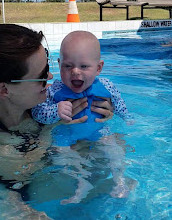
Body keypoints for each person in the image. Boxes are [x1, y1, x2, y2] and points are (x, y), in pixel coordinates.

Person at [0, 24, 113, 216]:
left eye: (49, 67)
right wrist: (53, 130)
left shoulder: (42, 108)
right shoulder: (5, 150)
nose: (51, 77)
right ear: (4, 90)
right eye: (41, 76)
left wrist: (99, 115)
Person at [32, 31, 135, 203]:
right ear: (59, 64)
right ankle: (81, 183)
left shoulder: (107, 85)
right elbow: (38, 113)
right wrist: (55, 111)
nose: (75, 72)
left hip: (98, 130)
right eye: (67, 66)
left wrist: (127, 117)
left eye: (84, 66)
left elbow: (118, 103)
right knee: (60, 154)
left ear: (99, 68)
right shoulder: (53, 90)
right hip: (66, 135)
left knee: (113, 148)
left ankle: (120, 180)